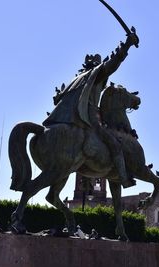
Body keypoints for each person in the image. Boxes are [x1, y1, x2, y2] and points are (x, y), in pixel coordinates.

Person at [43, 33, 139, 188]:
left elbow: (57, 98)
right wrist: (127, 44)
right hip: (89, 119)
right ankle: (123, 177)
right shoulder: (96, 75)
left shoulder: (76, 79)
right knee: (114, 144)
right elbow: (114, 63)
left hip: (67, 119)